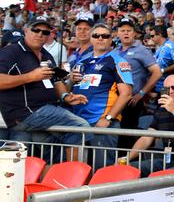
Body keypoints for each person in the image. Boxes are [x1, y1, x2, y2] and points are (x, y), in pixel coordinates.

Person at [0, 16, 90, 160]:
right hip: (27, 113)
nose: (40, 34)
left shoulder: (46, 55)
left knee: (50, 154)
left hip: (47, 109)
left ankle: (53, 179)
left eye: (45, 32)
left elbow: (55, 81)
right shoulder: (11, 51)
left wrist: (66, 97)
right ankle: (76, 177)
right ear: (26, 30)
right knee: (80, 127)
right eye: (36, 30)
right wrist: (31, 76)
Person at [69, 23, 133, 167]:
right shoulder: (82, 61)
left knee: (101, 169)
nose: (100, 38)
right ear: (91, 39)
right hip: (79, 122)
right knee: (77, 169)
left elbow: (126, 93)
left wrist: (108, 118)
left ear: (111, 40)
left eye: (105, 36)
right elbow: (69, 89)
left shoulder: (118, 61)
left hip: (102, 122)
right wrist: (70, 80)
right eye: (96, 35)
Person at [123, 75, 174, 176]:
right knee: (130, 168)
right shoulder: (161, 110)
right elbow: (147, 138)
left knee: (166, 175)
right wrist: (127, 158)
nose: (170, 91)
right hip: (167, 160)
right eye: (166, 89)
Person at [112, 18, 162, 148]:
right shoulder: (115, 51)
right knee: (115, 133)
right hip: (114, 100)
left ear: (135, 33)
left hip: (131, 100)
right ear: (117, 33)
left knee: (126, 135)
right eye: (122, 30)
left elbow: (157, 72)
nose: (126, 33)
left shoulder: (141, 50)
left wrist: (142, 93)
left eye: (129, 30)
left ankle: (125, 164)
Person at [151, 25, 174, 91]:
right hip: (156, 83)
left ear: (159, 34)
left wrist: (163, 70)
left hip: (166, 85)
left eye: (152, 36)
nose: (151, 38)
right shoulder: (159, 47)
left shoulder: (172, 46)